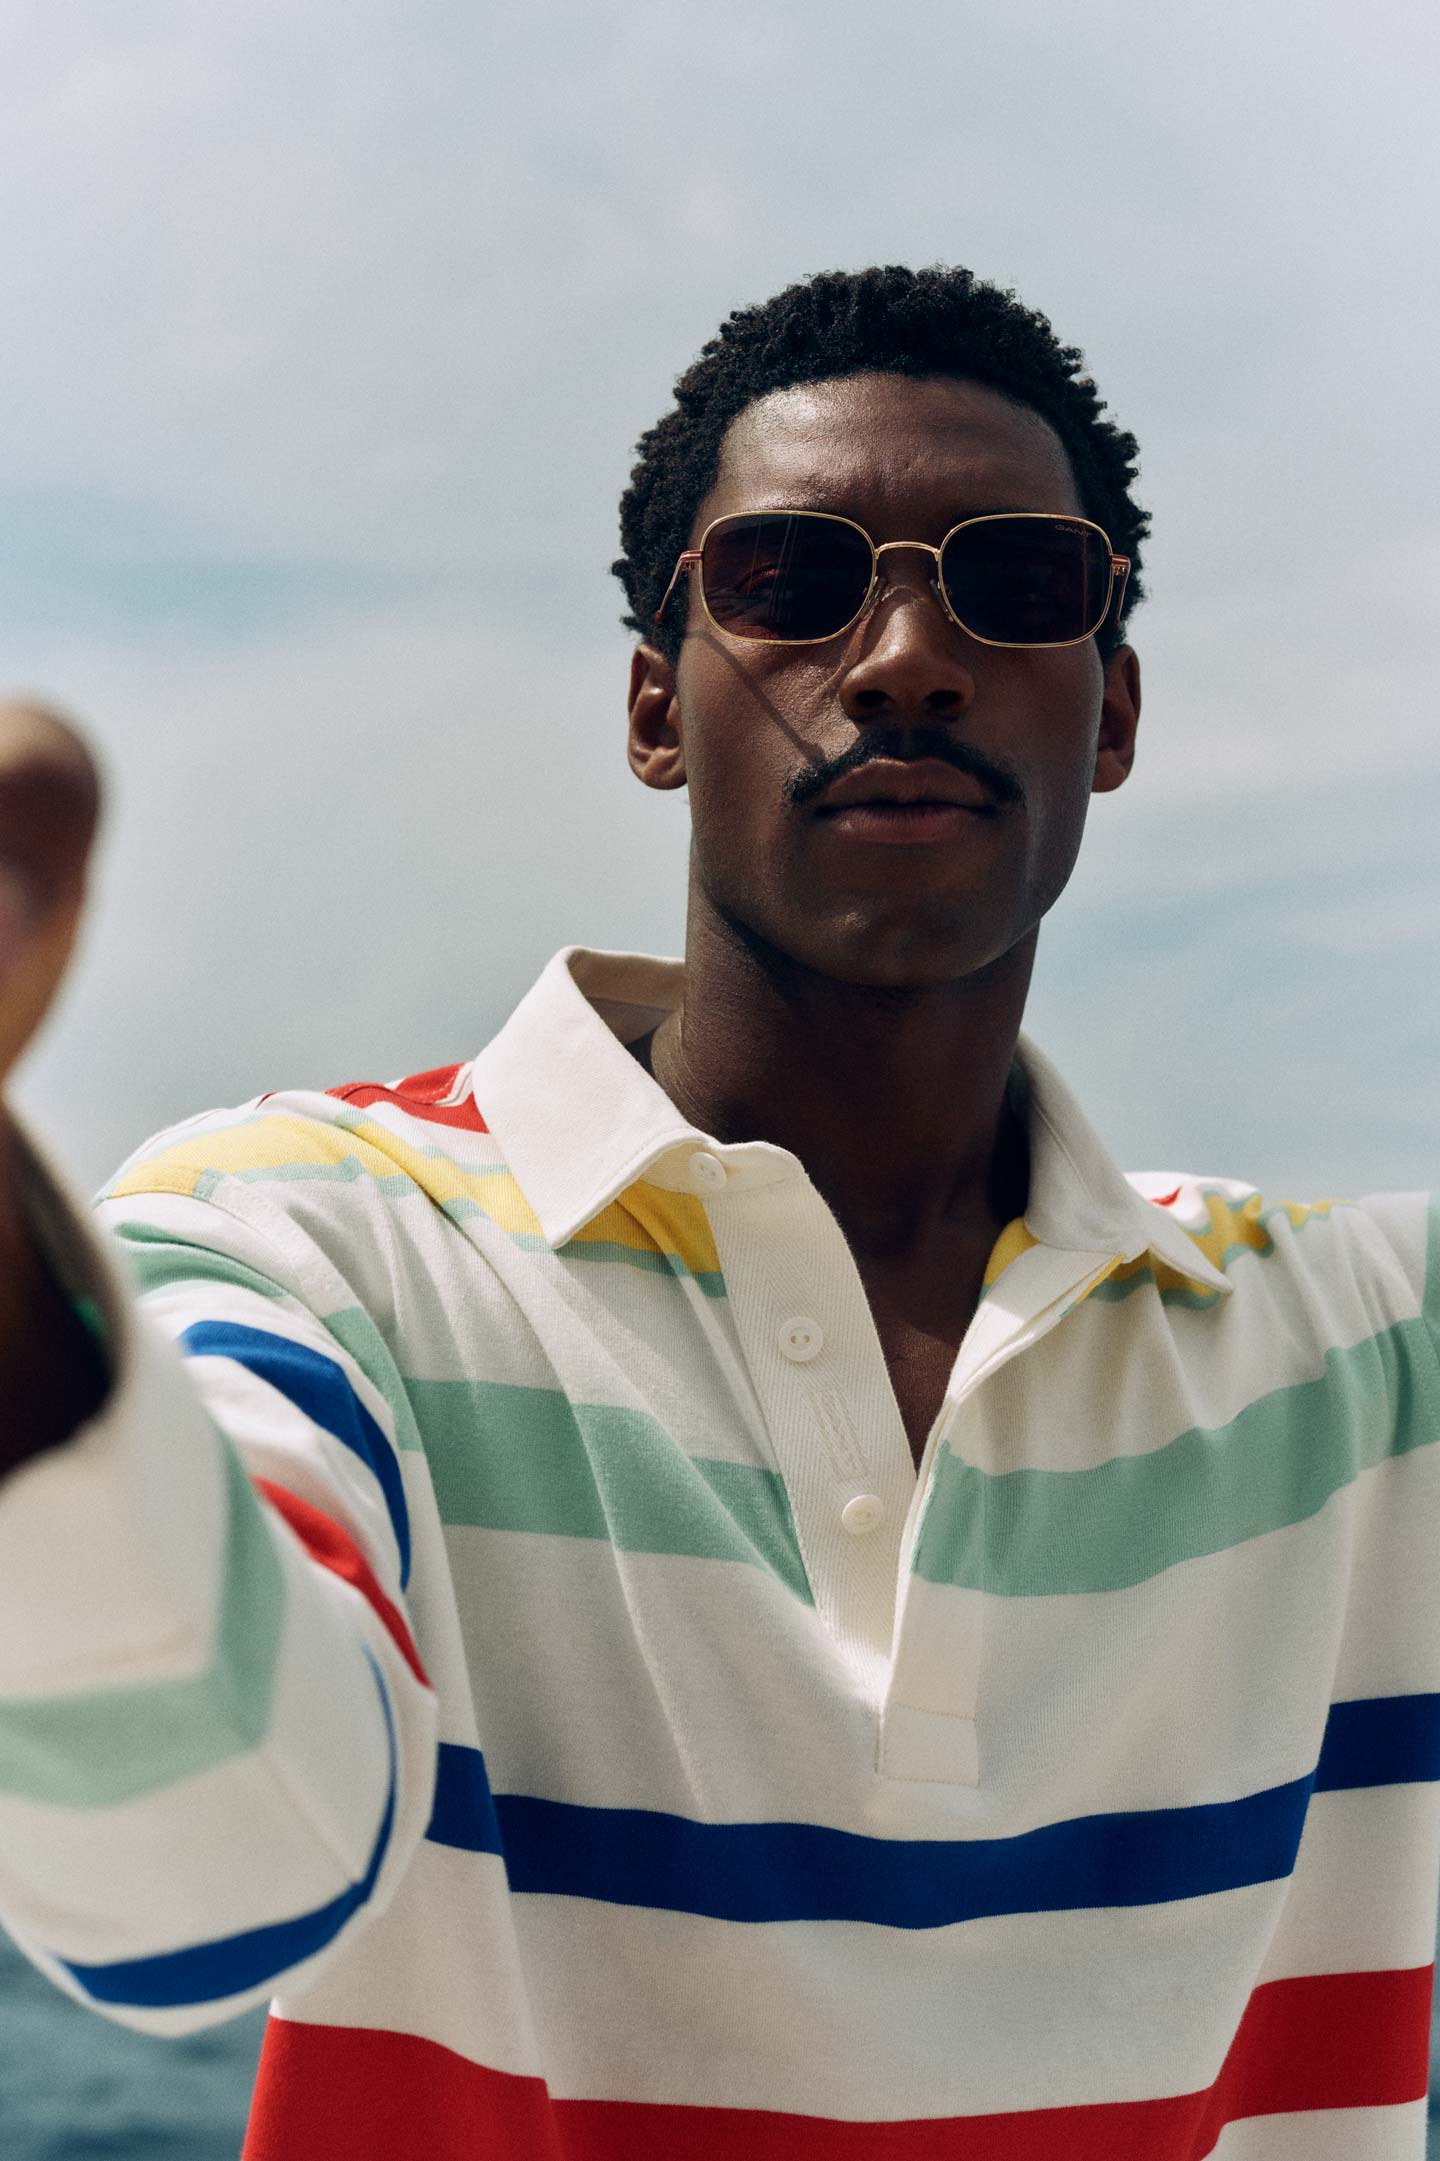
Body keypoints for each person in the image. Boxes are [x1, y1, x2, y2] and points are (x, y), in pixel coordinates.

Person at [0, 263, 1435, 2161]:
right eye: (788, 578)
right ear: (657, 708)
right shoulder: (315, 1240)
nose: (905, 656)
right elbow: (195, 1883)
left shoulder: (1366, 1360)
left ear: (1112, 712)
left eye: (1016, 583)